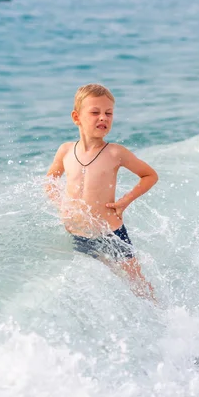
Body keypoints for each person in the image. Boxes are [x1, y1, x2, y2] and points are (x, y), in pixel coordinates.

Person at [45, 83, 158, 300]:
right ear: (76, 117)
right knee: (98, 287)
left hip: (112, 233)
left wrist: (125, 201)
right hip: (80, 234)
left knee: (136, 283)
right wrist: (61, 205)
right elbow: (50, 180)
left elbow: (150, 175)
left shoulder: (115, 152)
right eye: (95, 112)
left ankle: (161, 318)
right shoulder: (66, 150)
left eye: (108, 113)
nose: (103, 118)